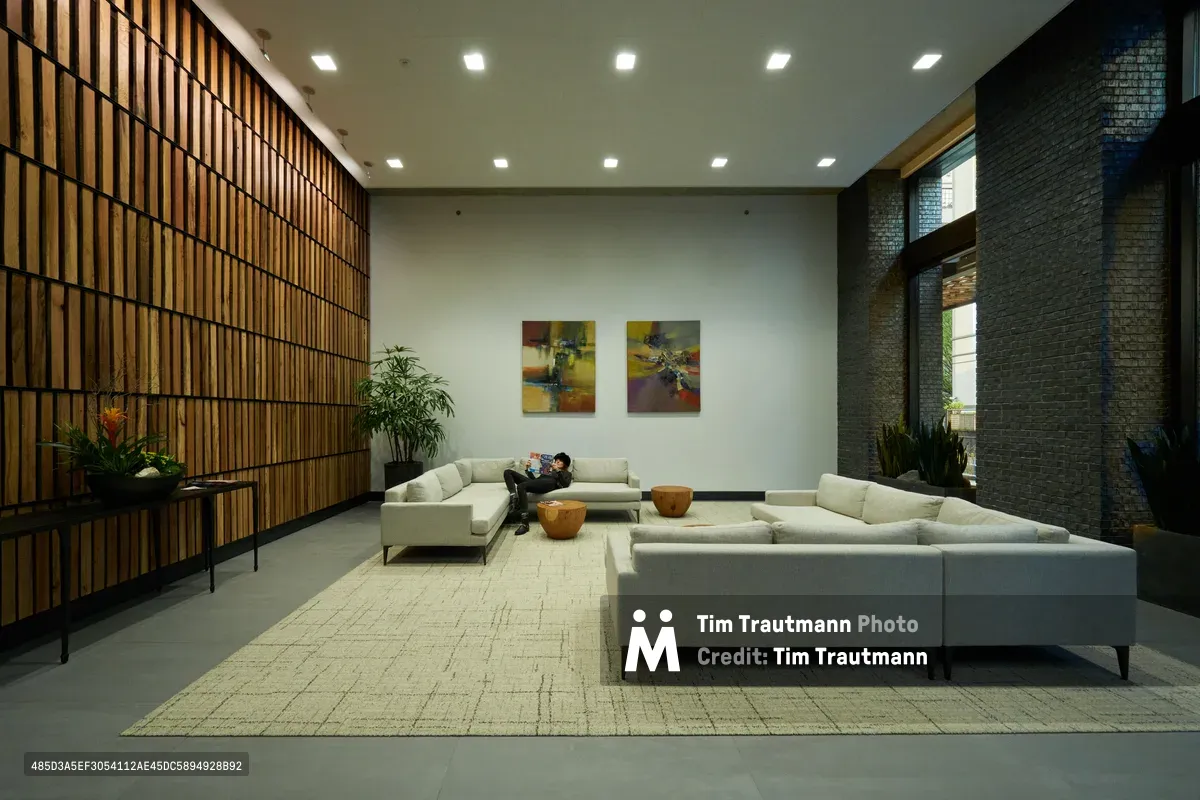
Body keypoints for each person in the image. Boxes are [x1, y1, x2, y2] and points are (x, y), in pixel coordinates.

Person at [503, 453, 572, 536]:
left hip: (549, 484)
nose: (557, 462)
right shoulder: (547, 470)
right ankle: (514, 497)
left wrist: (557, 470)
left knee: (521, 486)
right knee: (508, 472)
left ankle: (525, 524)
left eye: (560, 461)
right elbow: (534, 481)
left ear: (565, 464)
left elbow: (565, 484)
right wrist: (528, 469)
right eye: (556, 460)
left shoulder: (566, 473)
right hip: (539, 483)